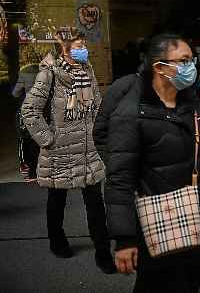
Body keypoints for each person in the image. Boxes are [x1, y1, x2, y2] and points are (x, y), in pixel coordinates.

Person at [103, 34, 200, 292]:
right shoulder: (130, 112)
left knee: (190, 280)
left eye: (192, 60)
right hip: (157, 220)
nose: (191, 67)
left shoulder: (191, 102)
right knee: (156, 284)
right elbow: (119, 180)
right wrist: (125, 238)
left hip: (195, 213)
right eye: (184, 61)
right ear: (160, 66)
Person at [21, 31, 115, 273]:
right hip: (59, 150)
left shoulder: (88, 69)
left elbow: (96, 103)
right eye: (79, 45)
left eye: (84, 44)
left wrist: (100, 132)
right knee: (57, 200)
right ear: (64, 48)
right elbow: (29, 110)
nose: (84, 49)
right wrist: (48, 139)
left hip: (88, 148)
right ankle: (57, 240)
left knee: (95, 202)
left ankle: (103, 251)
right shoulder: (49, 73)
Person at [12, 63, 39, 179]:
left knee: (24, 140)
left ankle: (28, 170)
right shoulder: (45, 73)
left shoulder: (24, 73)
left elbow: (15, 93)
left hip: (27, 110)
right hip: (42, 110)